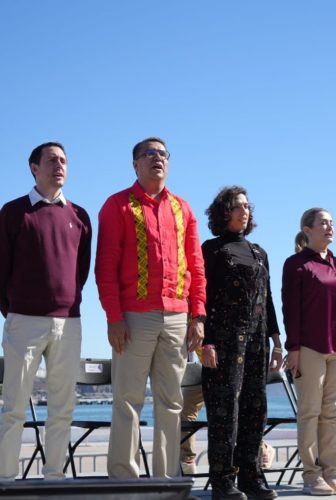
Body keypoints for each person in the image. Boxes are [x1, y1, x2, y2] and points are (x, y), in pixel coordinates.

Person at [95, 137, 206, 478]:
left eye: (163, 154)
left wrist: (198, 315)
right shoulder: (117, 206)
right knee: (128, 401)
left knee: (171, 402)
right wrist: (114, 318)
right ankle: (123, 479)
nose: (157, 158)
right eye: (149, 154)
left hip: (176, 316)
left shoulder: (183, 208)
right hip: (133, 317)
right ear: (135, 164)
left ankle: (167, 478)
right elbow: (105, 267)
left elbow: (196, 265)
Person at [0, 142, 91, 480]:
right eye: (52, 160)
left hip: (69, 322)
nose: (60, 165)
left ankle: (54, 478)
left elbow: (80, 271)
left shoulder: (79, 216)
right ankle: (5, 481)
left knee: (63, 408)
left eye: (64, 160)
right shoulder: (12, 212)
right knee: (13, 409)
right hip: (23, 321)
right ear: (33, 168)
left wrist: (65, 303)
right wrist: (15, 310)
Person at [201, 186, 282, 500]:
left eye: (247, 206)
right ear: (223, 212)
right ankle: (222, 480)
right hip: (223, 341)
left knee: (254, 408)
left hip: (258, 341)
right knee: (224, 411)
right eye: (236, 206)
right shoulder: (212, 249)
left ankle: (251, 477)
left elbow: (269, 299)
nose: (244, 211)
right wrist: (204, 342)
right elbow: (201, 297)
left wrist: (277, 341)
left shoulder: (260, 252)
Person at [282, 207, 336, 496]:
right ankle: (311, 476)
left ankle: (330, 473)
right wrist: (293, 348)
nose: (329, 227)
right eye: (323, 222)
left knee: (331, 413)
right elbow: (291, 308)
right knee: (309, 412)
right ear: (307, 229)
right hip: (310, 346)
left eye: (332, 223)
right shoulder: (296, 264)